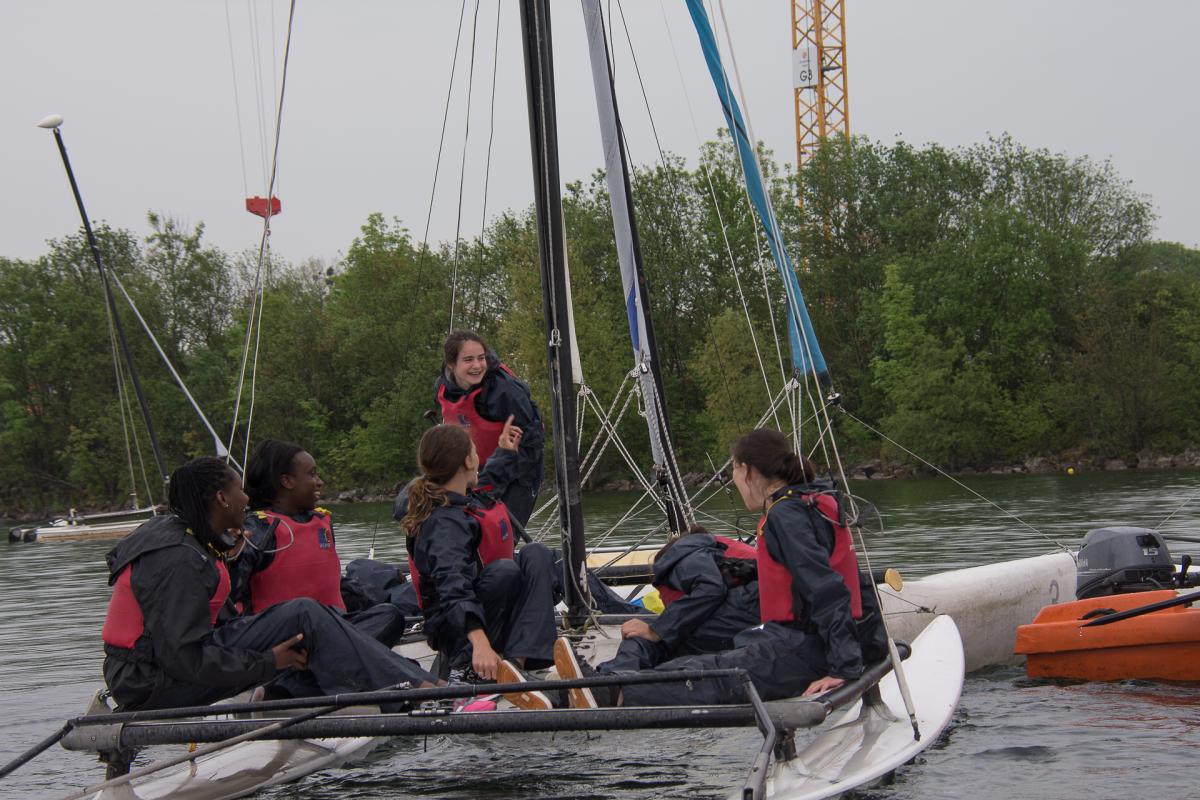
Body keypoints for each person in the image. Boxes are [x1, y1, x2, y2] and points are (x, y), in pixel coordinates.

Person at [556, 428, 885, 709]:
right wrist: (866, 645)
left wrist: (844, 667)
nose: (736, 484)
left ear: (746, 471)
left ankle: (604, 692)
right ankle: (597, 685)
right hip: (817, 640)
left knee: (712, 674)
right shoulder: (813, 501)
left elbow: (826, 588)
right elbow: (841, 581)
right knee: (704, 661)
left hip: (809, 648)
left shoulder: (786, 515)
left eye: (734, 474)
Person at [101, 457, 437, 712]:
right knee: (303, 614)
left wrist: (228, 556)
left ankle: (401, 682)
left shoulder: (191, 540)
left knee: (350, 617)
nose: (246, 499)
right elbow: (184, 659)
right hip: (149, 684)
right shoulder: (179, 558)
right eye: (239, 490)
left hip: (161, 670)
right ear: (222, 498)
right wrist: (268, 662)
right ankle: (419, 689)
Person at [396, 421, 558, 710]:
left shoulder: (463, 498)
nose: (478, 458)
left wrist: (505, 451)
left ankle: (516, 664)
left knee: (537, 554)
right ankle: (465, 667)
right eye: (474, 452)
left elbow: (490, 482)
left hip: (478, 614)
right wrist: (479, 642)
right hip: (456, 629)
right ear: (468, 462)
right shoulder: (443, 523)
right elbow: (452, 585)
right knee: (504, 571)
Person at [230, 439, 406, 646]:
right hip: (287, 641)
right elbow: (234, 594)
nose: (319, 482)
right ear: (287, 481)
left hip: (334, 628)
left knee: (390, 615)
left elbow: (326, 580)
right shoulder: (258, 528)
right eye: (312, 474)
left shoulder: (321, 521)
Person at [596, 525, 760, 674]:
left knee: (649, 636)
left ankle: (612, 677)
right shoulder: (708, 549)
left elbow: (711, 588)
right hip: (757, 612)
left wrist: (657, 630)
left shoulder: (682, 556)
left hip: (750, 607)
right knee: (662, 633)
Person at [435, 331, 544, 526]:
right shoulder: (444, 388)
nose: (477, 366)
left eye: (481, 358)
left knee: (500, 532)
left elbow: (532, 440)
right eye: (468, 360)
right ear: (451, 364)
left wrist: (499, 478)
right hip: (473, 471)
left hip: (516, 473)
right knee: (464, 528)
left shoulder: (506, 391)